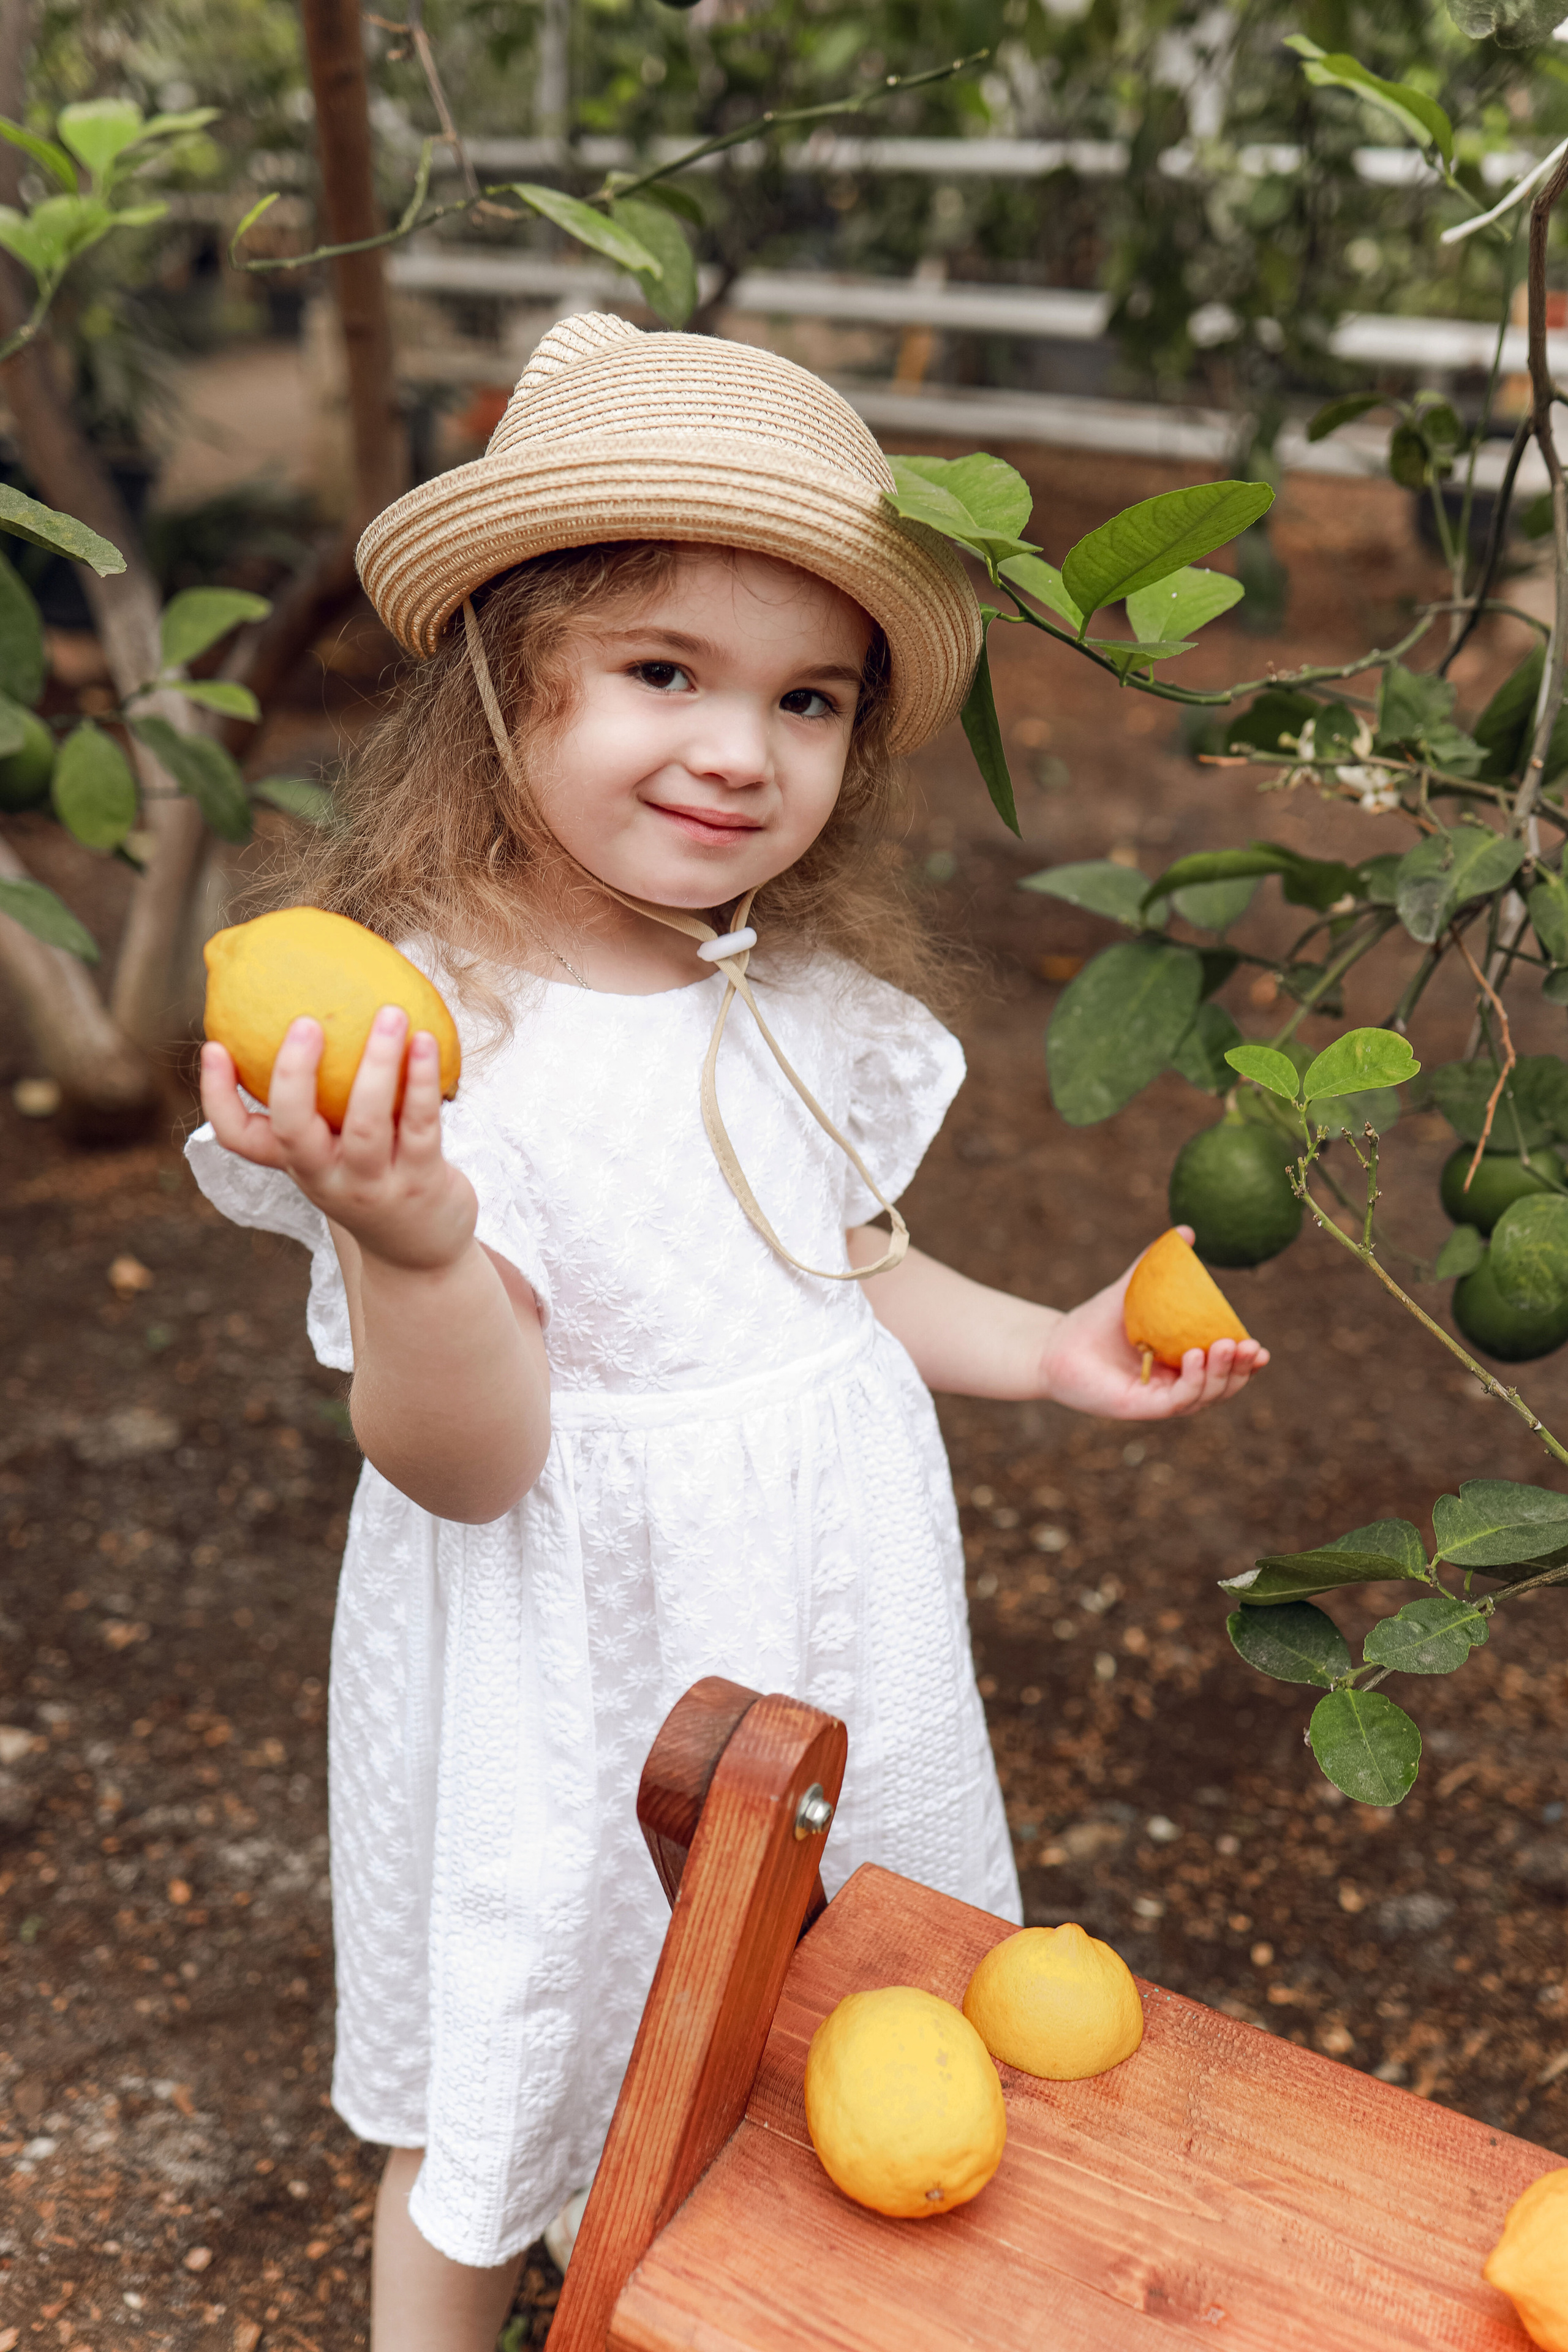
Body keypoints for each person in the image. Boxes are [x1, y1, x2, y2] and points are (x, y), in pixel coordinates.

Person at [187, 312, 1267, 2350]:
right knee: (518, 2052)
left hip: (820, 1596)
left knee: (842, 2028)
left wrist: (1045, 1346)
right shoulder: (430, 1045)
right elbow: (469, 1459)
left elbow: (836, 1271)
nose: (737, 749)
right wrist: (412, 1245)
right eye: (663, 672)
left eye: (808, 698)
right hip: (573, 1643)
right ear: (512, 680)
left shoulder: (798, 1000)